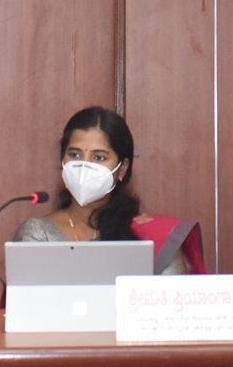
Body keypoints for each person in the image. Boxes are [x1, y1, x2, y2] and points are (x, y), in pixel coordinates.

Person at [13, 106, 205, 275]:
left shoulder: (153, 239)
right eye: (75, 154)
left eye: (99, 157)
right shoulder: (38, 234)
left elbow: (171, 302)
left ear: (122, 168)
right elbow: (26, 300)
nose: (84, 165)